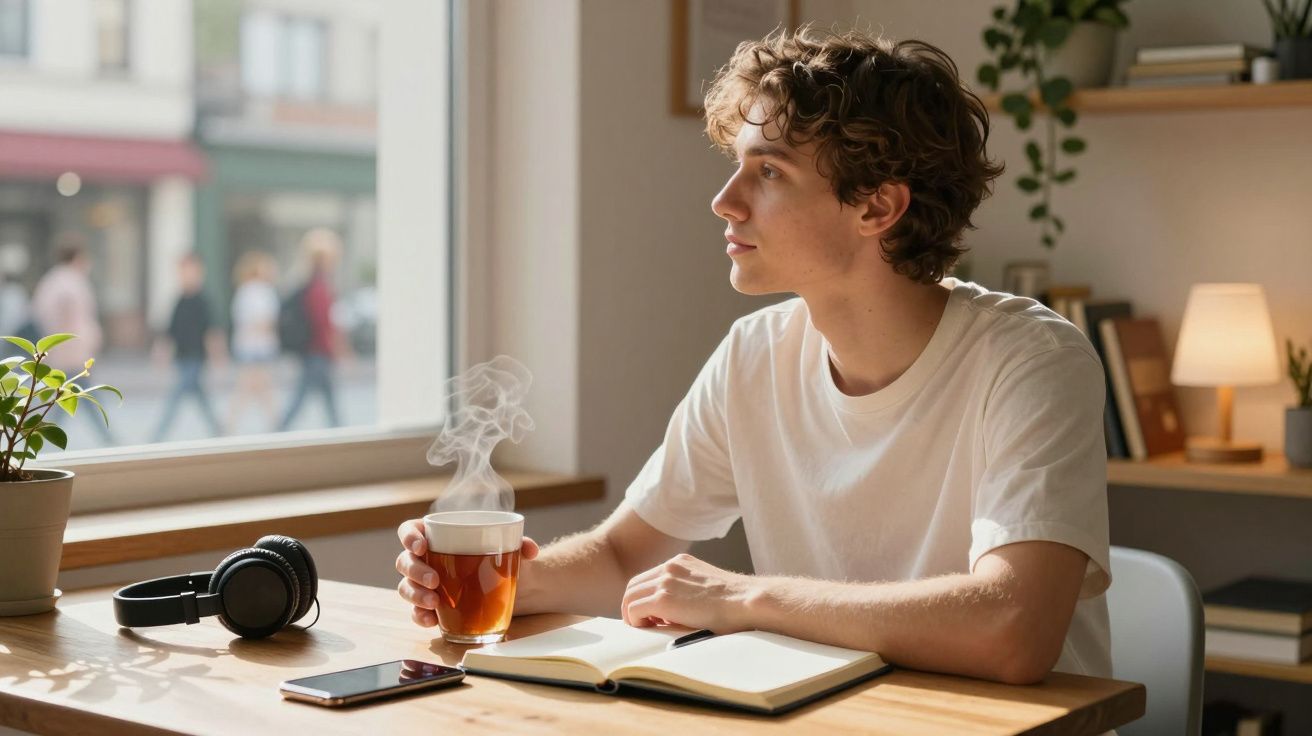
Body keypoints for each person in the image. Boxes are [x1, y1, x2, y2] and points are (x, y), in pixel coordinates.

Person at [396, 27, 1111, 685]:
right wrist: (492, 581)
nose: (723, 202)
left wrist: (744, 598)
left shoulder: (1032, 361)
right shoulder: (754, 354)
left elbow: (1012, 629)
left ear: (877, 208)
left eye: (768, 173)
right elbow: (624, 557)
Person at [32, 233, 113, 443]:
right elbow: (75, 317)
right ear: (77, 258)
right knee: (79, 396)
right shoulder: (72, 282)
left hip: (62, 352)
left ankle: (107, 438)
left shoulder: (51, 280)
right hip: (73, 353)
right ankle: (108, 439)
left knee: (69, 397)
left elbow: (40, 313)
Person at [278, 228, 349, 431]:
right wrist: (338, 348)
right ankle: (279, 430)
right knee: (305, 399)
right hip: (317, 352)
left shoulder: (310, 284)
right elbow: (324, 323)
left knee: (323, 399)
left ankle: (339, 432)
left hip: (314, 352)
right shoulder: (318, 287)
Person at [151, 252, 226, 442]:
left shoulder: (203, 300)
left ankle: (159, 433)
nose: (186, 275)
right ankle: (218, 429)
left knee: (177, 394)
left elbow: (212, 330)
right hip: (182, 355)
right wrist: (162, 352)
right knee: (200, 396)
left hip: (196, 356)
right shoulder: (179, 300)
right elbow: (170, 330)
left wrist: (218, 354)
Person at [225, 250, 281, 433]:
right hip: (258, 346)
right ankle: (275, 423)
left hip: (247, 345)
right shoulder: (262, 292)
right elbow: (266, 320)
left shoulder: (244, 291)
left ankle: (274, 422)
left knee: (256, 387)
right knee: (253, 386)